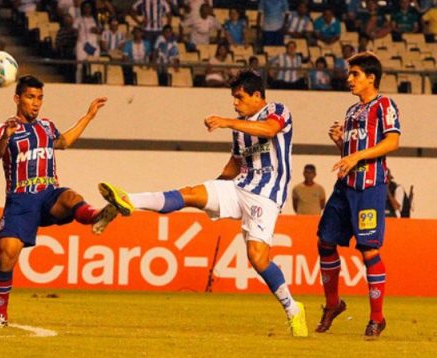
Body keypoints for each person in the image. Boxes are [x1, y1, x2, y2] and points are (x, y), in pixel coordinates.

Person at [99, 70, 309, 337]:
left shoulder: (278, 110)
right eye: (233, 98)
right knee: (190, 194)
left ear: (257, 96)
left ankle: (293, 308)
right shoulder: (240, 127)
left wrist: (227, 122)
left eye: (239, 97)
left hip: (267, 196)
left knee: (257, 257)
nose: (235, 103)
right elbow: (236, 163)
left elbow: (269, 129)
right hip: (239, 186)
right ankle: (127, 200)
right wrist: (216, 187)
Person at [0, 75, 118, 328]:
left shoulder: (46, 127)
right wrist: (6, 136)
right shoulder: (4, 128)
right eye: (30, 97)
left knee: (70, 197)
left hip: (48, 195)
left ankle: (97, 216)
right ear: (17, 98)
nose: (35, 103)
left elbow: (65, 141)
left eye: (39, 98)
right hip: (20, 200)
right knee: (7, 256)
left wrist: (88, 115)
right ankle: (1, 315)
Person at [315, 52, 401, 340]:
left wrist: (357, 156)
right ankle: (332, 304)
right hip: (344, 186)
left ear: (371, 78)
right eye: (349, 74)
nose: (349, 79)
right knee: (325, 242)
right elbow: (350, 155)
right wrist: (341, 143)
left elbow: (393, 141)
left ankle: (377, 318)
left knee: (369, 251)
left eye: (354, 74)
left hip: (369, 188)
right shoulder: (352, 111)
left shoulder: (385, 104)